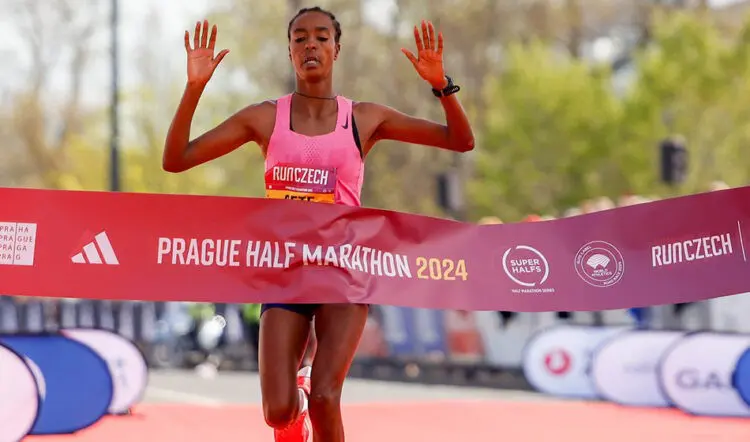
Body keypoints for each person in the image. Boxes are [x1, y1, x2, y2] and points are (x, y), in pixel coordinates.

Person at [163, 6, 474, 442]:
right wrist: (194, 88)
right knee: (278, 412)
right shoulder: (264, 118)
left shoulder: (364, 118)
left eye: (322, 37)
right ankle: (298, 404)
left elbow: (460, 140)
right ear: (290, 51)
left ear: (336, 49)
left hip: (343, 273)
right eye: (300, 38)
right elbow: (176, 159)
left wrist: (442, 85)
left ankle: (314, 390)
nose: (311, 44)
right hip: (286, 272)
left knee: (327, 397)